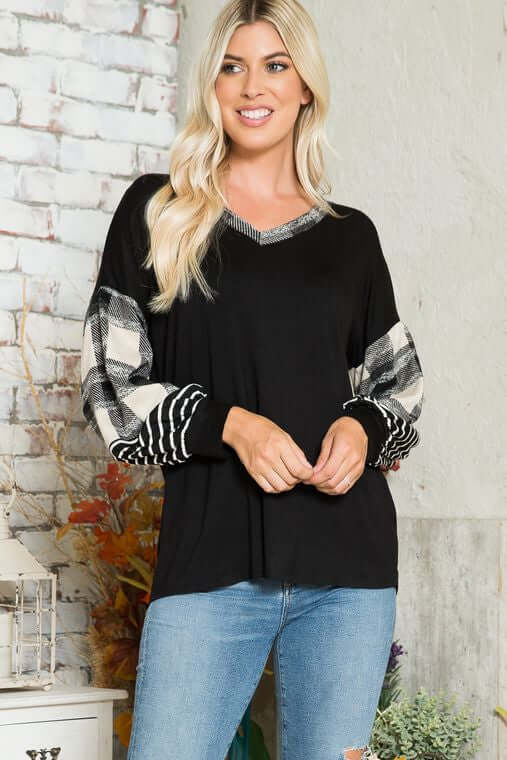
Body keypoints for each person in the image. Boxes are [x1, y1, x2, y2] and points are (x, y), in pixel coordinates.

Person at [79, 1, 424, 758]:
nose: (251, 85)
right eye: (231, 67)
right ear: (212, 85)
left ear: (305, 86)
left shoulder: (350, 238)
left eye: (274, 65)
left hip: (348, 572)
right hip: (210, 566)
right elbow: (110, 392)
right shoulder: (158, 212)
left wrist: (360, 427)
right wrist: (231, 425)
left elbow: (399, 386)